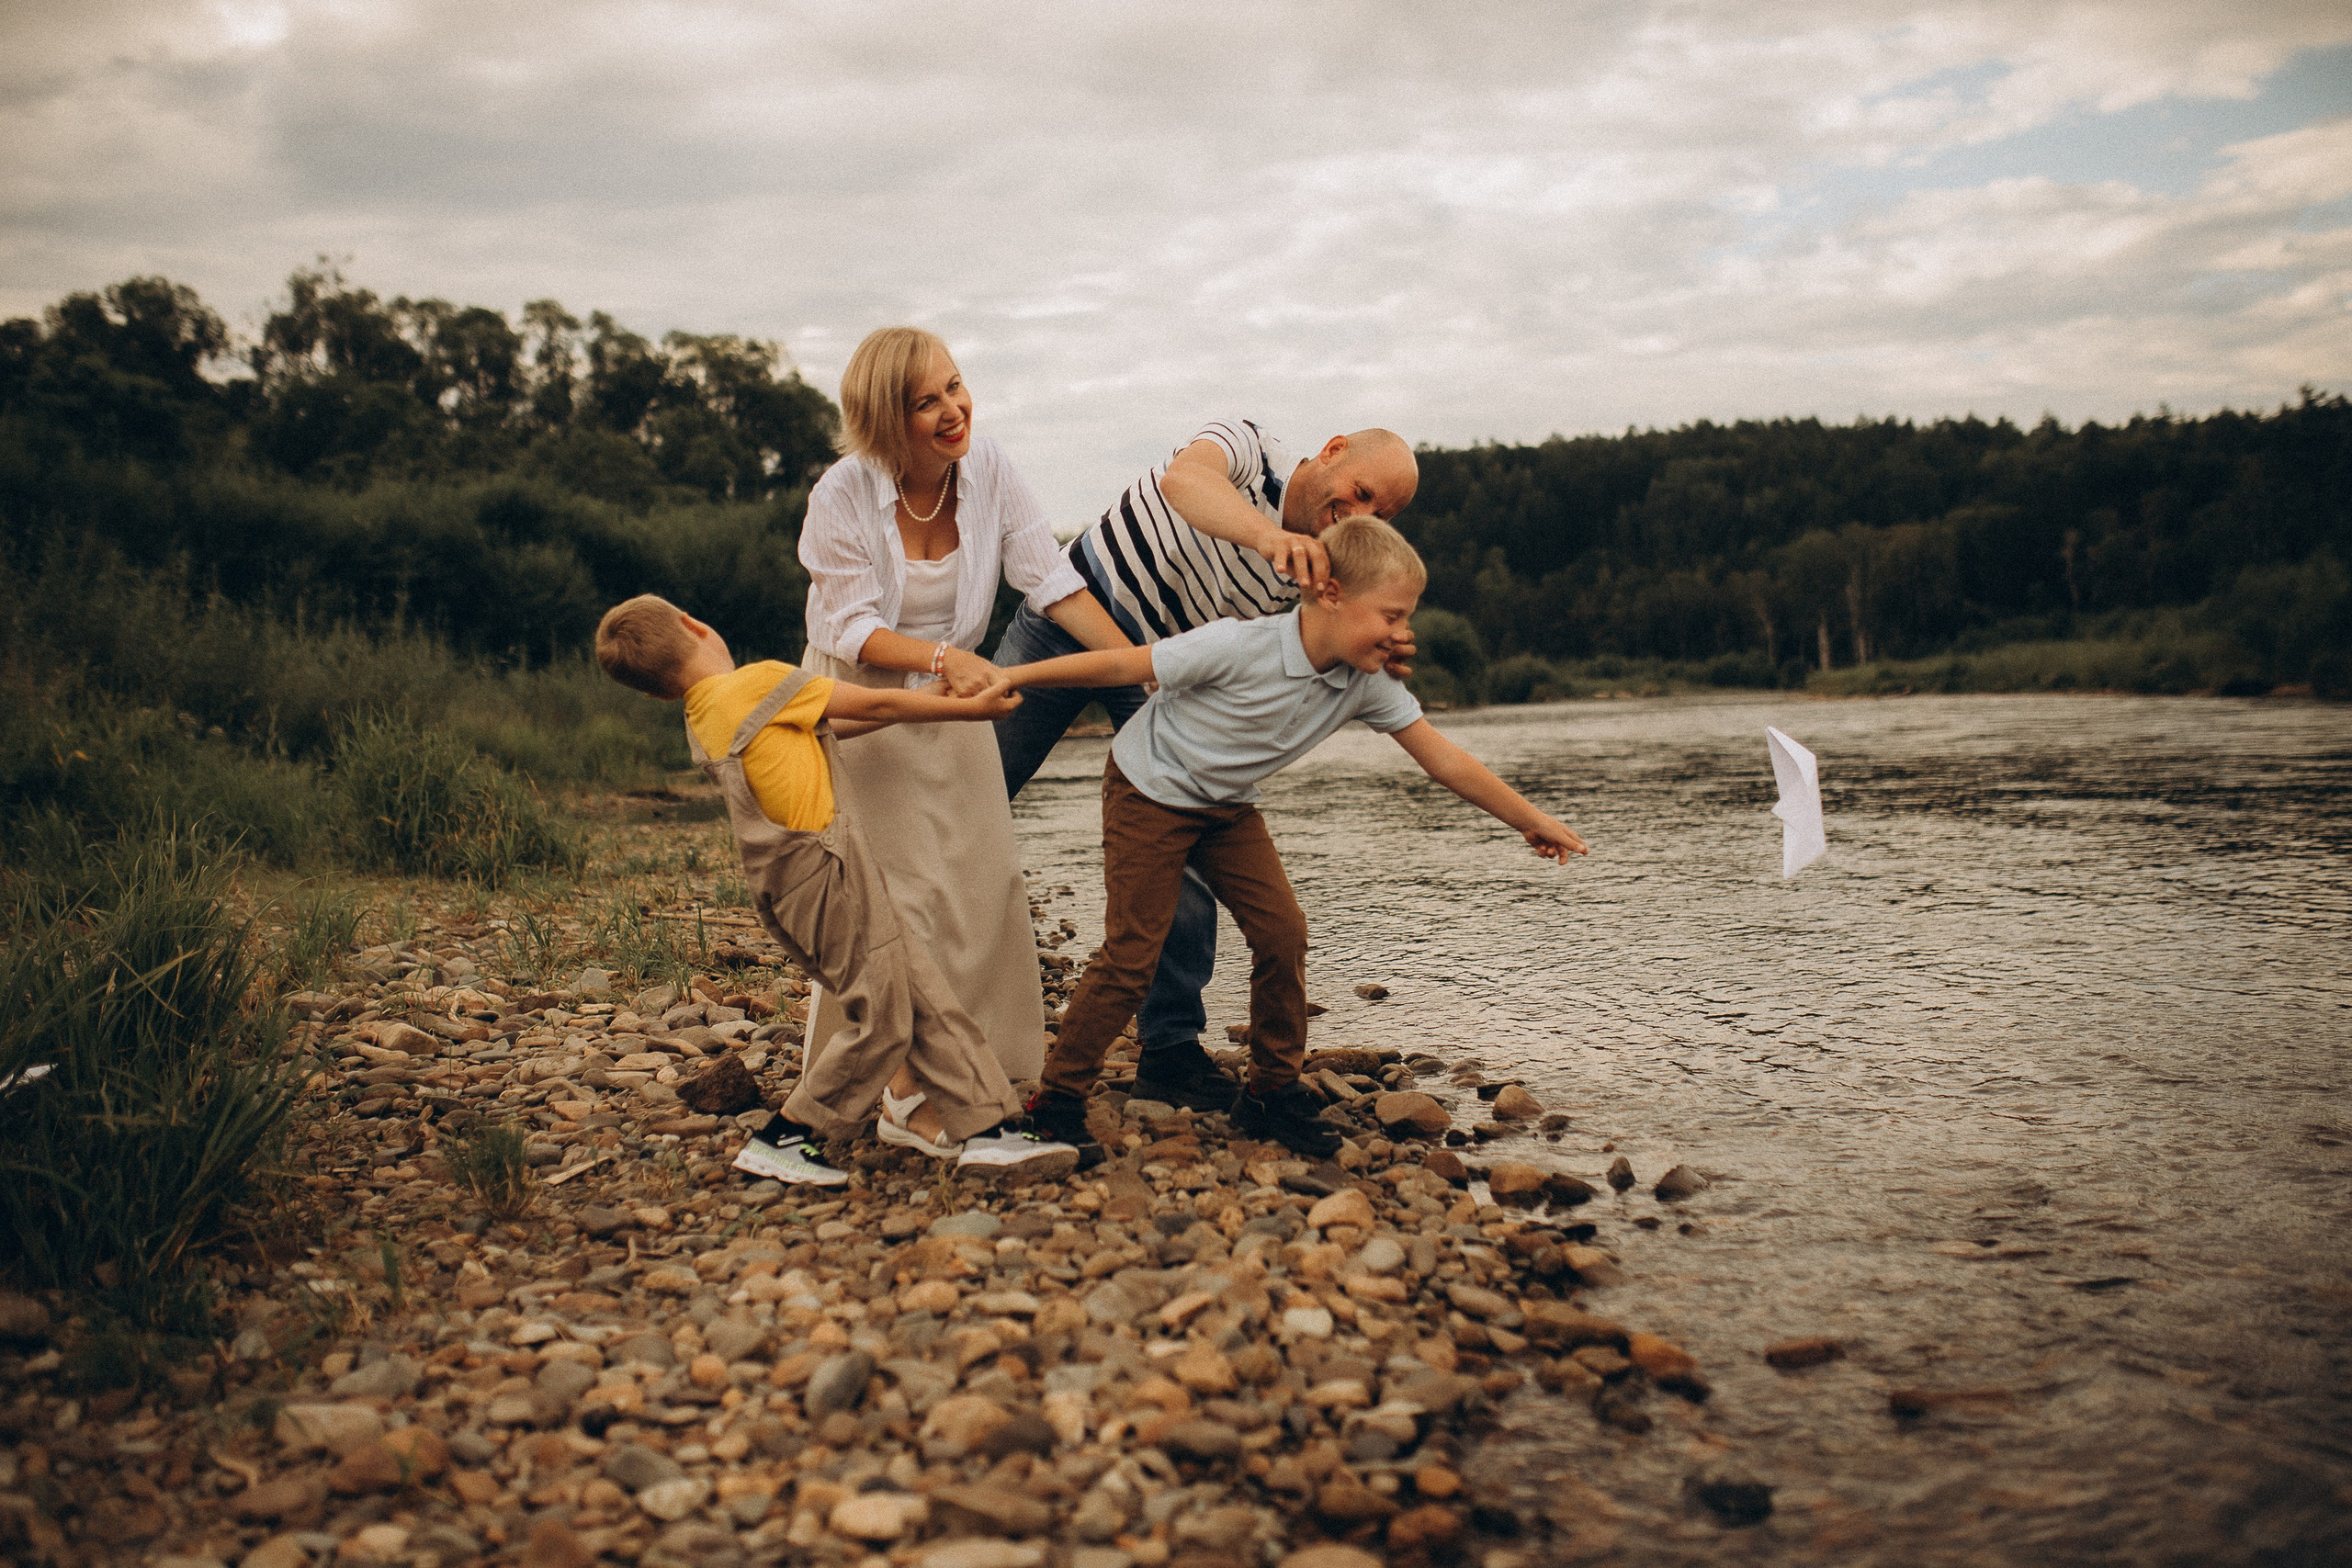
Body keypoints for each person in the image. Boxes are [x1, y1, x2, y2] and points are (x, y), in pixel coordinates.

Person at [996, 518, 1586, 1161]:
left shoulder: (1368, 682)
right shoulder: (1237, 645)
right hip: (1150, 791)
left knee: (1283, 931)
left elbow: (1443, 758)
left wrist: (1530, 818)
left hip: (1224, 808)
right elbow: (1122, 662)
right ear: (1329, 593)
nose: (1402, 632)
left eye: (1407, 616)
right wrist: (1011, 680)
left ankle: (1269, 1093)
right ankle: (1054, 1102)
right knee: (1135, 951)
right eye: (1390, 614)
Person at [990, 419, 1420, 1112]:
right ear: (1333, 450)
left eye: (1384, 513)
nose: (1362, 514)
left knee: (1183, 839)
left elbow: (1336, 628)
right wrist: (1265, 535)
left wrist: (1383, 647)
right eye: (1362, 492)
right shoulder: (1251, 446)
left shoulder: (1331, 559)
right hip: (1073, 616)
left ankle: (1169, 1048)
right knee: (977, 783)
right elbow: (1184, 481)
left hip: (1166, 679)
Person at [592, 593, 1080, 1184]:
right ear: (696, 625)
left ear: (652, 692)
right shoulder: (756, 682)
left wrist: (929, 702)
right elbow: (870, 698)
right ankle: (792, 1134)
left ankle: (991, 1129)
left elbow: (840, 721)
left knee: (922, 994)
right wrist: (964, 711)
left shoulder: (709, 711)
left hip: (796, 882)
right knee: (887, 1016)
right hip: (827, 873)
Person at [797, 327, 1133, 1121]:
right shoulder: (840, 493)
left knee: (986, 882)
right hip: (860, 700)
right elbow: (850, 629)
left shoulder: (989, 470)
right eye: (927, 401)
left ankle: (982, 1062)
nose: (955, 410)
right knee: (891, 898)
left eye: (955, 386)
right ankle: (891, 1083)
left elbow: (1048, 580)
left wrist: (1139, 662)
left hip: (956, 698)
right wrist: (947, 663)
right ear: (886, 419)